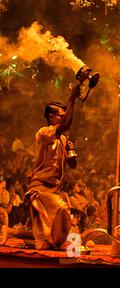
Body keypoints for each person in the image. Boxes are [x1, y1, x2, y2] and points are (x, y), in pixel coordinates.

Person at [26, 83, 81, 250]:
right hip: (41, 189)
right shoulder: (43, 133)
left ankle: (65, 254)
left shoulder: (63, 140)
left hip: (54, 190)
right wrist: (72, 98)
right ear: (51, 117)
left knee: (48, 240)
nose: (63, 119)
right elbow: (65, 125)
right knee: (62, 215)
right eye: (61, 116)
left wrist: (71, 151)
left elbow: (72, 165)